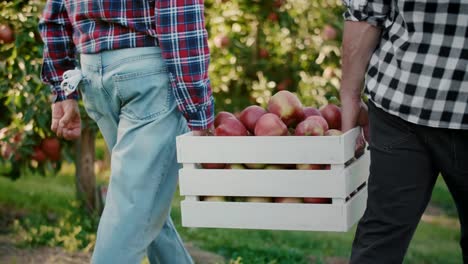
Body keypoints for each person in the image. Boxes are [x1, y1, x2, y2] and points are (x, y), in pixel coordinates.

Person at [39, 0, 214, 263]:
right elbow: (179, 17)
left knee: (141, 202)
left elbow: (54, 14)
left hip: (94, 75)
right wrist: (199, 112)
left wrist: (62, 89)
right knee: (132, 208)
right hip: (146, 79)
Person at [339, 0, 468, 263]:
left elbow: (365, 11)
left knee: (380, 238)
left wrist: (350, 95)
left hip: (401, 96)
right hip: (413, 108)